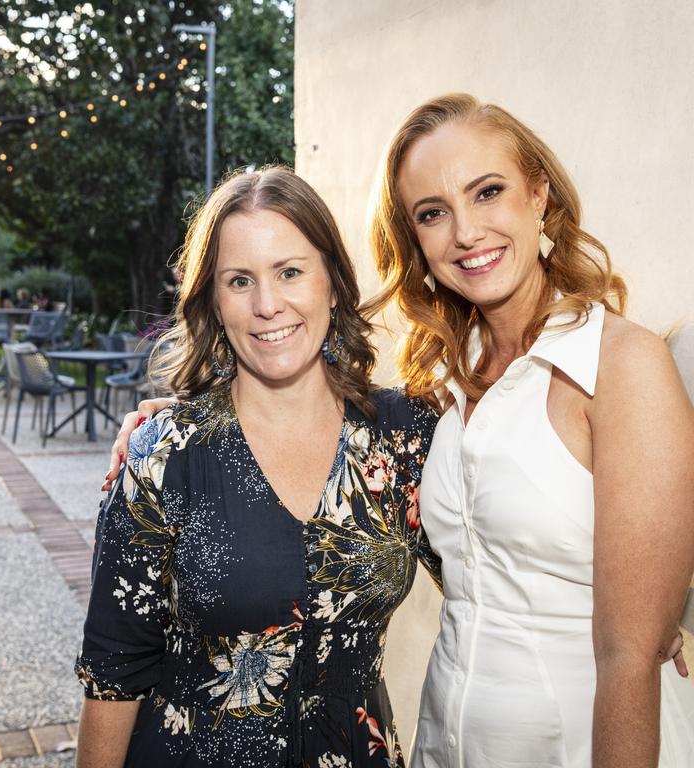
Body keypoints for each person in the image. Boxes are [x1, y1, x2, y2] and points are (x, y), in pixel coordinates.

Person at [108, 96, 694, 766]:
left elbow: (629, 652)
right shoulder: (442, 388)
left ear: (539, 196)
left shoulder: (621, 364)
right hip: (447, 740)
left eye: (488, 192)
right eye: (433, 213)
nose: (466, 231)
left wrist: (649, 625)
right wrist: (191, 428)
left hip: (579, 741)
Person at [76, 167, 440, 767]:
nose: (268, 305)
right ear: (214, 303)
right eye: (239, 280)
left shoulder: (406, 436)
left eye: (290, 272)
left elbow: (494, 577)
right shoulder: (165, 454)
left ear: (332, 283)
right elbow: (114, 671)